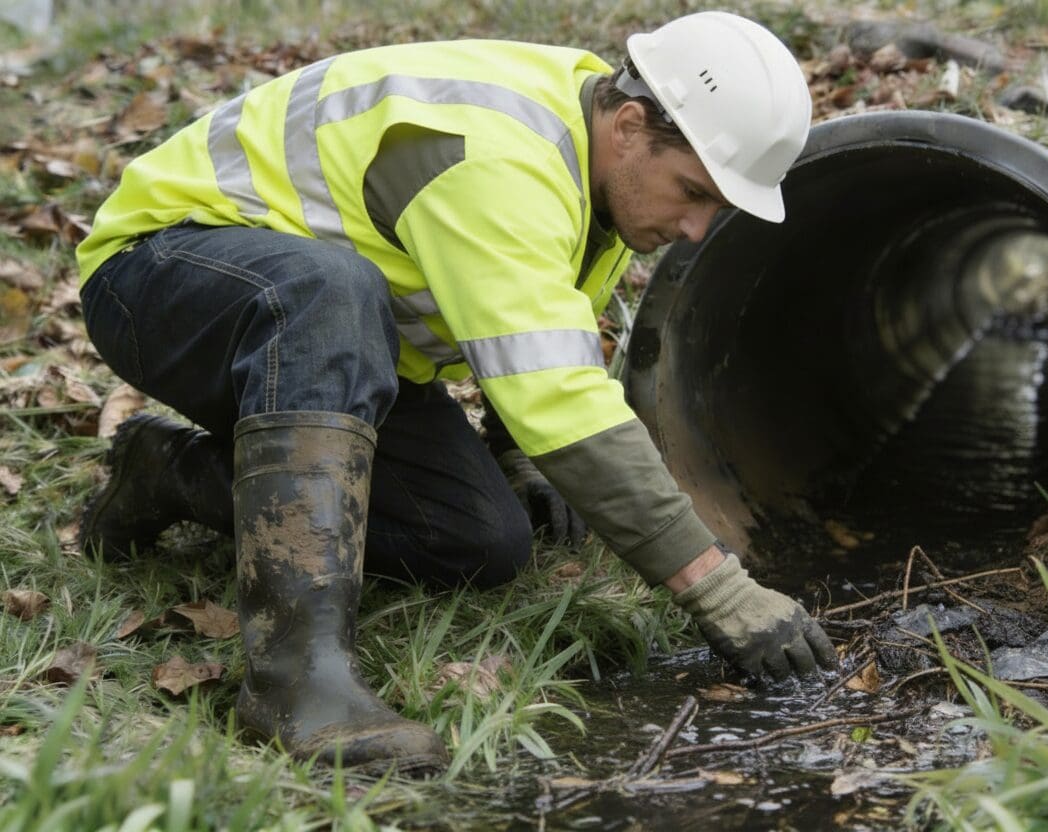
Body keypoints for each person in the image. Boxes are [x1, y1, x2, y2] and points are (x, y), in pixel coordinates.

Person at [76, 11, 836, 774]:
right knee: (328, 286)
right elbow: (559, 396)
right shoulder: (496, 153)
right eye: (693, 192)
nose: (698, 228)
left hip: (341, 351)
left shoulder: (596, 157)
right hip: (160, 274)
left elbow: (538, 321)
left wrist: (519, 454)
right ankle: (296, 686)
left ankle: (168, 470)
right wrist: (719, 593)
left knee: (476, 539)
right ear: (633, 125)